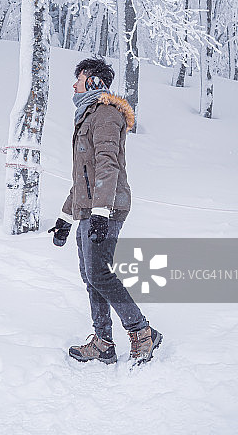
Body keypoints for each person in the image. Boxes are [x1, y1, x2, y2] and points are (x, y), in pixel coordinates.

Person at [49, 57, 163, 365]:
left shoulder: (106, 115)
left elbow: (108, 166)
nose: (74, 84)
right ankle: (103, 342)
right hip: (90, 209)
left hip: (108, 207)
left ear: (95, 82)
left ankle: (142, 333)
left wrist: (101, 211)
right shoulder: (87, 116)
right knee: (91, 275)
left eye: (79, 78)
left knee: (99, 272)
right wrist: (64, 217)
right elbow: (83, 177)